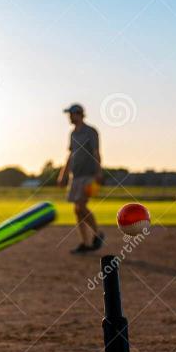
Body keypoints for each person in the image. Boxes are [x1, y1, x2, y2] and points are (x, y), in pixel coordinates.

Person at [57, 103, 104, 254]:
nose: (69, 117)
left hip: (88, 175)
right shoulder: (73, 134)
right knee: (77, 210)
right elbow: (70, 155)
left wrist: (99, 172)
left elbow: (96, 152)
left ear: (79, 114)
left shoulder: (90, 131)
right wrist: (63, 174)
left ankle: (98, 234)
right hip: (75, 176)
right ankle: (85, 243)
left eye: (71, 114)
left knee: (81, 205)